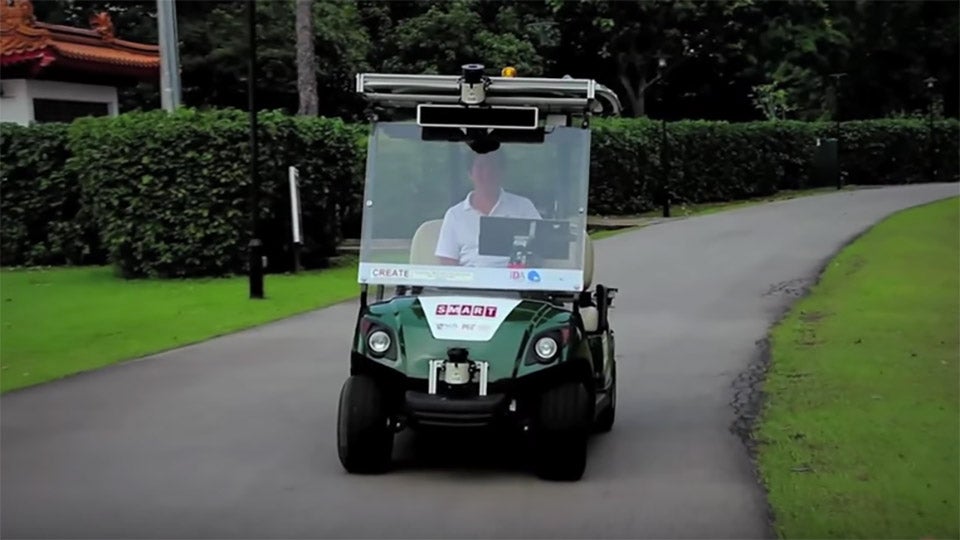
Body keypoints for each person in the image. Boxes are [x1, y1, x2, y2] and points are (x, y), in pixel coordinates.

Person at [435, 149, 541, 267]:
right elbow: (447, 261)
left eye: (493, 166)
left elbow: (540, 252)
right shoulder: (454, 215)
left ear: (502, 171)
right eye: (480, 166)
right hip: (469, 282)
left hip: (513, 280)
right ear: (470, 173)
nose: (487, 172)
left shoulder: (524, 207)